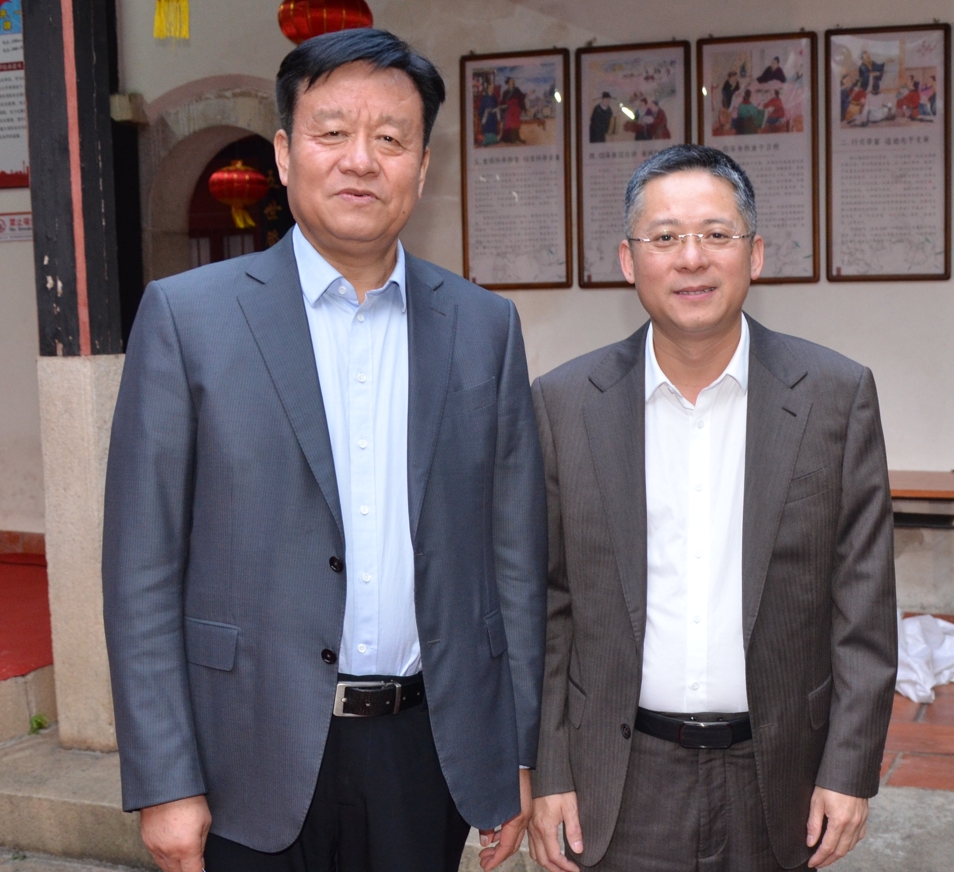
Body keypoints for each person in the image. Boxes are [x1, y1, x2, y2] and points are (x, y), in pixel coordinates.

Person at [102, 28, 547, 872]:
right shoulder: (187, 319)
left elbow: (515, 561)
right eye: (332, 132)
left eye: (391, 138)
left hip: (427, 751)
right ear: (283, 152)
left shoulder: (484, 327)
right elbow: (141, 572)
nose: (360, 160)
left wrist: (515, 753)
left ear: (422, 165)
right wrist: (164, 779)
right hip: (247, 753)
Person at [527, 144, 897, 872]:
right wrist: (548, 770)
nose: (691, 258)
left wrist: (849, 769)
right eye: (665, 236)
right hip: (618, 782)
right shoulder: (564, 405)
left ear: (754, 254)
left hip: (781, 777)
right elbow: (548, 605)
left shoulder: (835, 395)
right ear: (629, 260)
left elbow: (864, 607)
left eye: (716, 234)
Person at [500, 76, 526, 143]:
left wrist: (524, 109)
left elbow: (521, 98)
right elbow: (503, 102)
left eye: (513, 81)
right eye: (511, 81)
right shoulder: (505, 92)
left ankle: (517, 138)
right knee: (509, 124)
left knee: (516, 123)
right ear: (508, 83)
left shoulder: (517, 90)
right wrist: (503, 112)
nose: (512, 82)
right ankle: (510, 139)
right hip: (508, 110)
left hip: (516, 109)